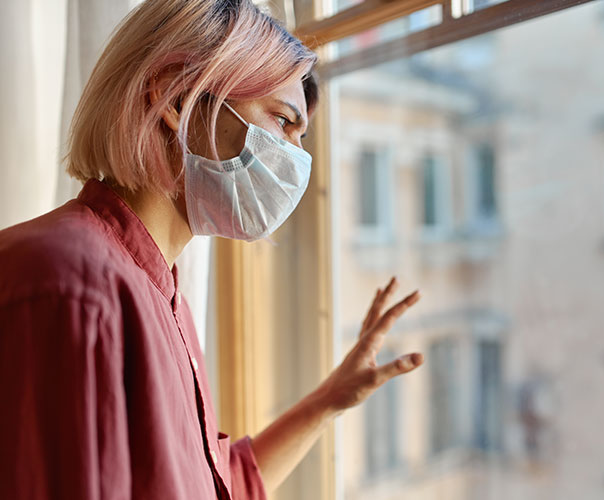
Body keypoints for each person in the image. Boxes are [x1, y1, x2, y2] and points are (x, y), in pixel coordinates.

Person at [0, 0, 423, 498]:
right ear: (177, 99)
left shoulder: (160, 290)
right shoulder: (68, 282)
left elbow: (214, 481)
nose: (297, 158)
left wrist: (331, 399)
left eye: (301, 138)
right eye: (283, 122)